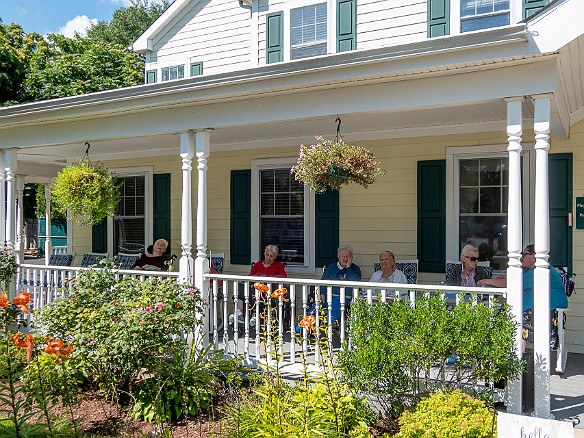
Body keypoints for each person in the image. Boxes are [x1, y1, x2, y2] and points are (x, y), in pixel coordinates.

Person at [477, 244, 568, 312]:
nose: (521, 258)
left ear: (534, 255)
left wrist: (486, 281)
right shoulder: (529, 270)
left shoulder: (541, 270)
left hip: (546, 313)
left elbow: (512, 284)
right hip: (532, 311)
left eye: (524, 254)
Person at [230, 245, 287, 327]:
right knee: (242, 286)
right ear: (264, 254)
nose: (269, 258)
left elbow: (284, 276)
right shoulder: (258, 264)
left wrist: (268, 277)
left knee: (257, 289)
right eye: (267, 255)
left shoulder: (278, 265)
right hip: (254, 287)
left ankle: (255, 315)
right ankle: (239, 313)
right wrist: (258, 276)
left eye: (271, 256)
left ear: (275, 257)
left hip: (269, 289)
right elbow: (250, 276)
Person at [320, 245, 361, 322]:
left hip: (344, 297)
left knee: (337, 302)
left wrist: (348, 268)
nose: (345, 259)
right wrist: (322, 293)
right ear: (338, 257)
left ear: (351, 258)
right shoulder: (331, 268)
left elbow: (356, 281)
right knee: (317, 305)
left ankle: (329, 323)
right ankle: (305, 325)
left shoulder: (355, 269)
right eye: (343, 256)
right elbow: (323, 282)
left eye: (348, 257)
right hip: (328, 296)